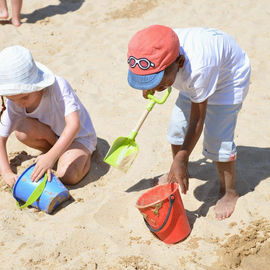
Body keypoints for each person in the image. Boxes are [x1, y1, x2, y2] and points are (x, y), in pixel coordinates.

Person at [127, 25, 251, 220]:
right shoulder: (158, 47)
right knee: (176, 130)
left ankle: (229, 192)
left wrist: (182, 157)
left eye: (158, 81)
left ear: (180, 62)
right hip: (190, 79)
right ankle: (182, 170)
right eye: (148, 80)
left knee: (217, 141)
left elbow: (197, 120)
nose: (155, 87)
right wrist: (149, 84)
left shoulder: (199, 69)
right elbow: (158, 74)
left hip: (228, 79)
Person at [0, 45, 97, 187]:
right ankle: (59, 153)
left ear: (37, 86)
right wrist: (6, 172)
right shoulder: (15, 101)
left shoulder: (58, 87)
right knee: (21, 130)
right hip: (54, 136)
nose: (19, 104)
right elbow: (1, 138)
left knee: (69, 176)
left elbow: (74, 125)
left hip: (79, 138)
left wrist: (51, 157)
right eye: (12, 99)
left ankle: (81, 155)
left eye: (24, 97)